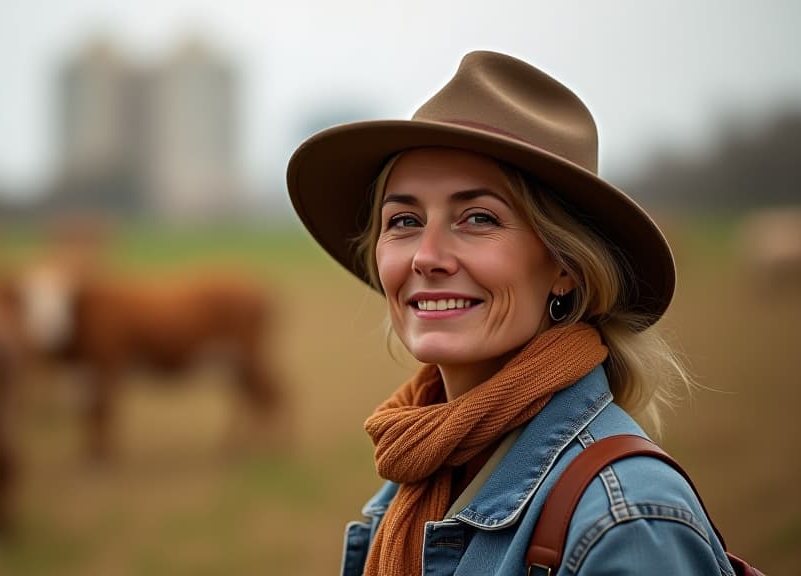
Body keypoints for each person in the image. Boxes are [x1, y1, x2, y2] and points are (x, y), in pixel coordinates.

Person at [286, 51, 736, 575]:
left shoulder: (626, 520)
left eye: (478, 218)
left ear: (566, 265)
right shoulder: (418, 469)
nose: (426, 257)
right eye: (404, 220)